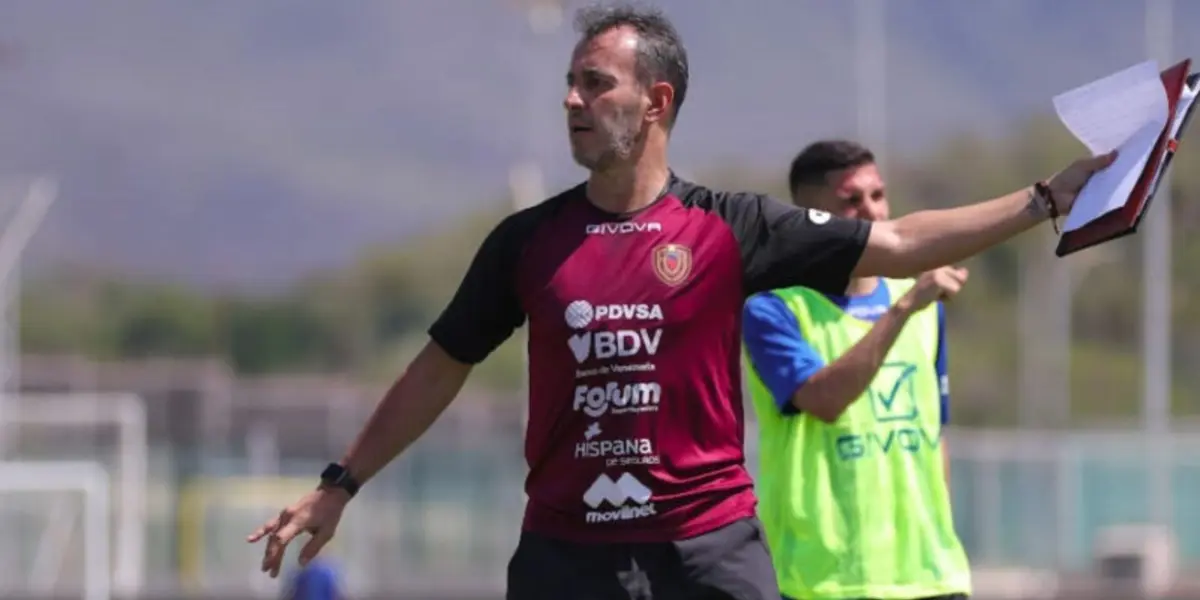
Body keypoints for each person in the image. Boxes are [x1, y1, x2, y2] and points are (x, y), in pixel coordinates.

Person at [246, 4, 1113, 599]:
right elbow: (439, 369)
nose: (572, 101)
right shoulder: (526, 243)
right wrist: (340, 484)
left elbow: (899, 242)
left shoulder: (731, 227)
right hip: (564, 558)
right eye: (572, 83)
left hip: (709, 556)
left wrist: (1046, 198)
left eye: (595, 84)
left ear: (656, 102)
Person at [743, 140, 971, 600]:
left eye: (878, 195)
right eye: (851, 201)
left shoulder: (925, 307)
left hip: (931, 578)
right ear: (812, 219)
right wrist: (902, 310)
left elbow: (933, 435)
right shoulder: (775, 309)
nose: (872, 213)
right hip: (826, 583)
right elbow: (824, 400)